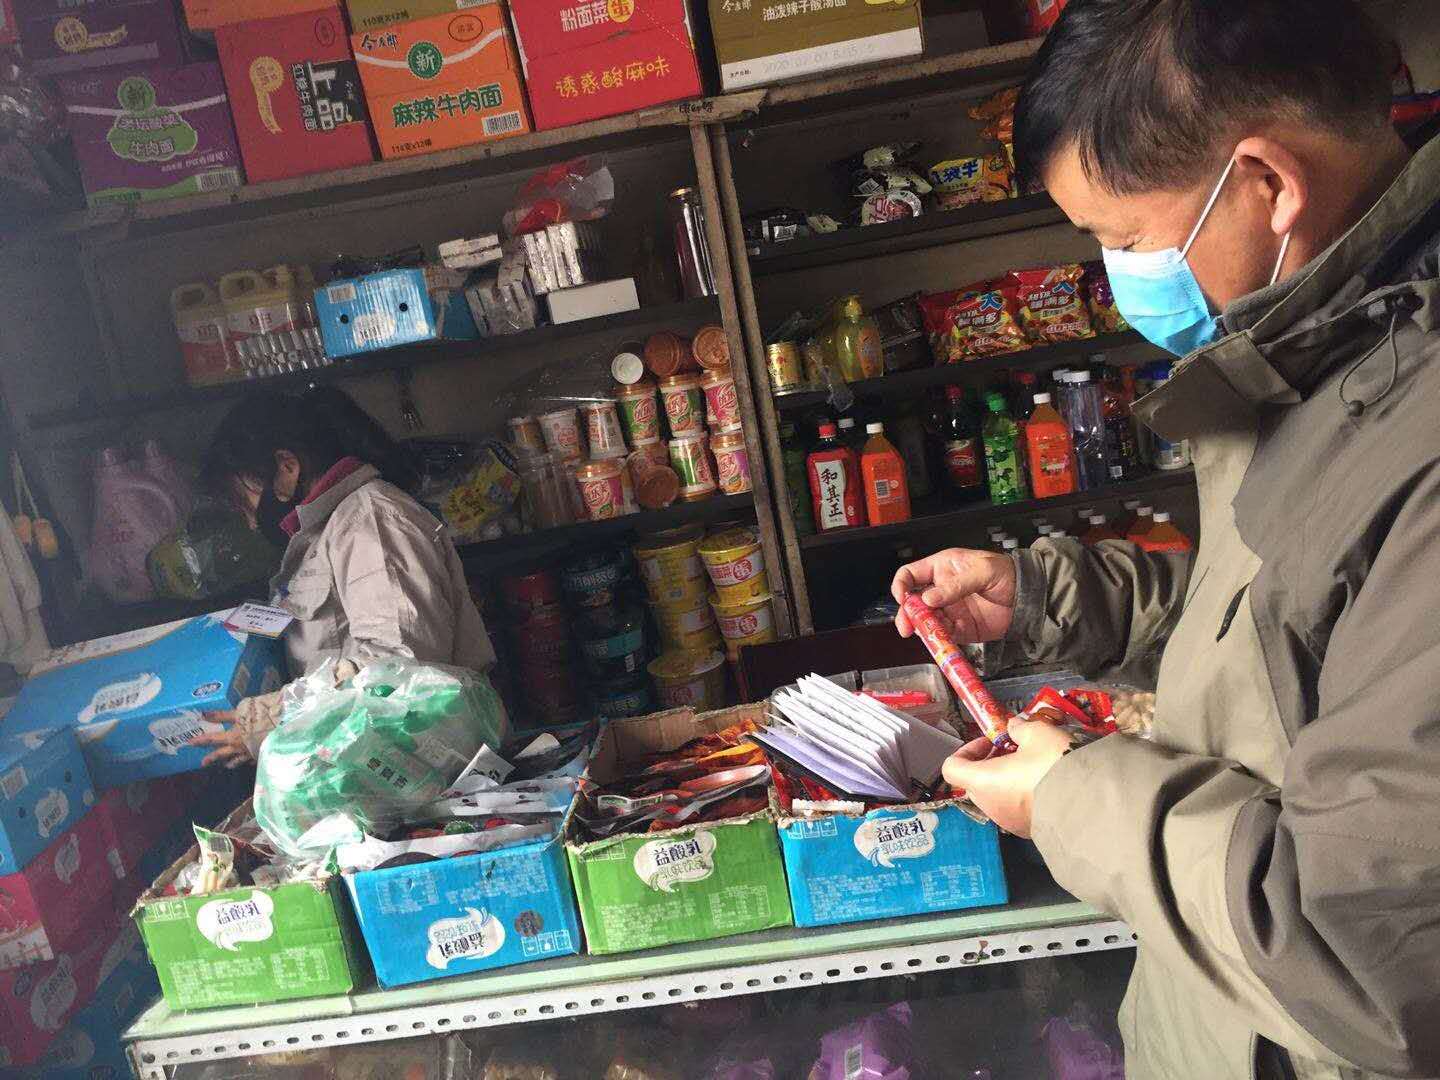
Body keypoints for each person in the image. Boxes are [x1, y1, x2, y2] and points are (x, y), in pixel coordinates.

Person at [893, 2, 1440, 1077]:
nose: (1118, 279)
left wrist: (1069, 797)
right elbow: (1285, 628)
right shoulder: (1322, 348)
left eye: (1126, 240)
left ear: (1267, 183)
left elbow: (1370, 960)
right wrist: (1048, 597)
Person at [190, 387, 499, 767]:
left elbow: (400, 667)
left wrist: (275, 716)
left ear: (287, 467)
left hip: (425, 767)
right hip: (373, 764)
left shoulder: (372, 524)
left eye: (245, 500)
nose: (251, 521)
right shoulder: (325, 532)